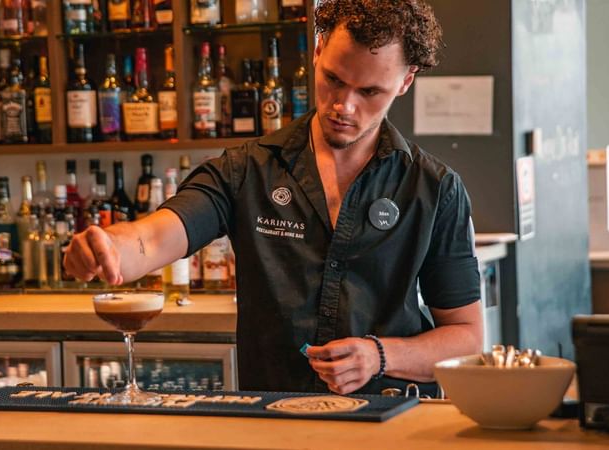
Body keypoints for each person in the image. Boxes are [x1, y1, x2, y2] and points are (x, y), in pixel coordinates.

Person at [64, 0, 483, 396]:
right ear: (317, 51)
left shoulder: (434, 189)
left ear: (405, 80)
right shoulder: (247, 170)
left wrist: (379, 356)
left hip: (391, 419)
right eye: (334, 79)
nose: (344, 105)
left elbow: (466, 339)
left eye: (370, 91)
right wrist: (109, 248)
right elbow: (155, 238)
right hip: (275, 420)